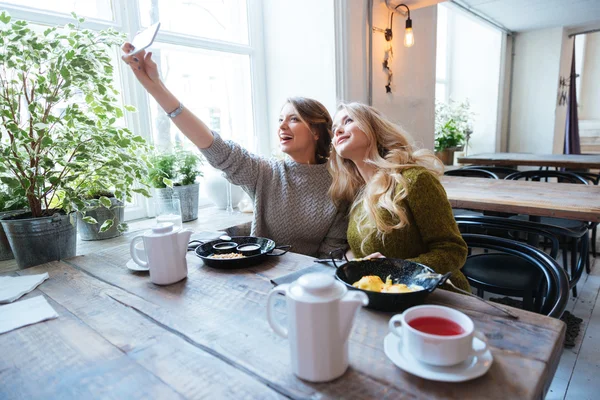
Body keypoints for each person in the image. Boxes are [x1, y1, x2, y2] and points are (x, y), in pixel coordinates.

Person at [121, 45, 347, 257]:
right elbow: (213, 145)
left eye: (294, 119)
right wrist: (156, 87)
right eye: (280, 119)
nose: (281, 126)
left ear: (316, 131)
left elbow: (330, 256)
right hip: (257, 276)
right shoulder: (265, 172)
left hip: (309, 286)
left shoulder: (340, 185)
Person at [329, 102, 470, 291]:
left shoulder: (415, 179)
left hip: (438, 295)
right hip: (384, 297)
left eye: (348, 121)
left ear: (373, 128)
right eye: (334, 128)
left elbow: (454, 251)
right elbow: (360, 251)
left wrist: (396, 269)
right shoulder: (358, 192)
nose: (338, 131)